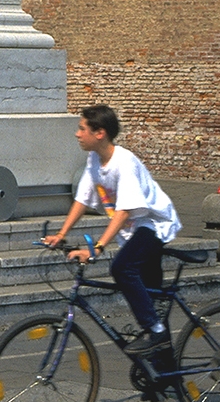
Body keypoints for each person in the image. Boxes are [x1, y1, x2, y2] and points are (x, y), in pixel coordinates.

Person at [44, 103, 181, 354]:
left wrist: (96, 249)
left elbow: (124, 211)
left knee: (122, 268)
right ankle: (164, 379)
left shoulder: (124, 162)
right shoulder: (94, 159)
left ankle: (156, 332)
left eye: (82, 128)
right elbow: (82, 199)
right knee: (152, 303)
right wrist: (61, 234)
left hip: (154, 224)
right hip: (134, 230)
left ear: (100, 133)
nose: (77, 134)